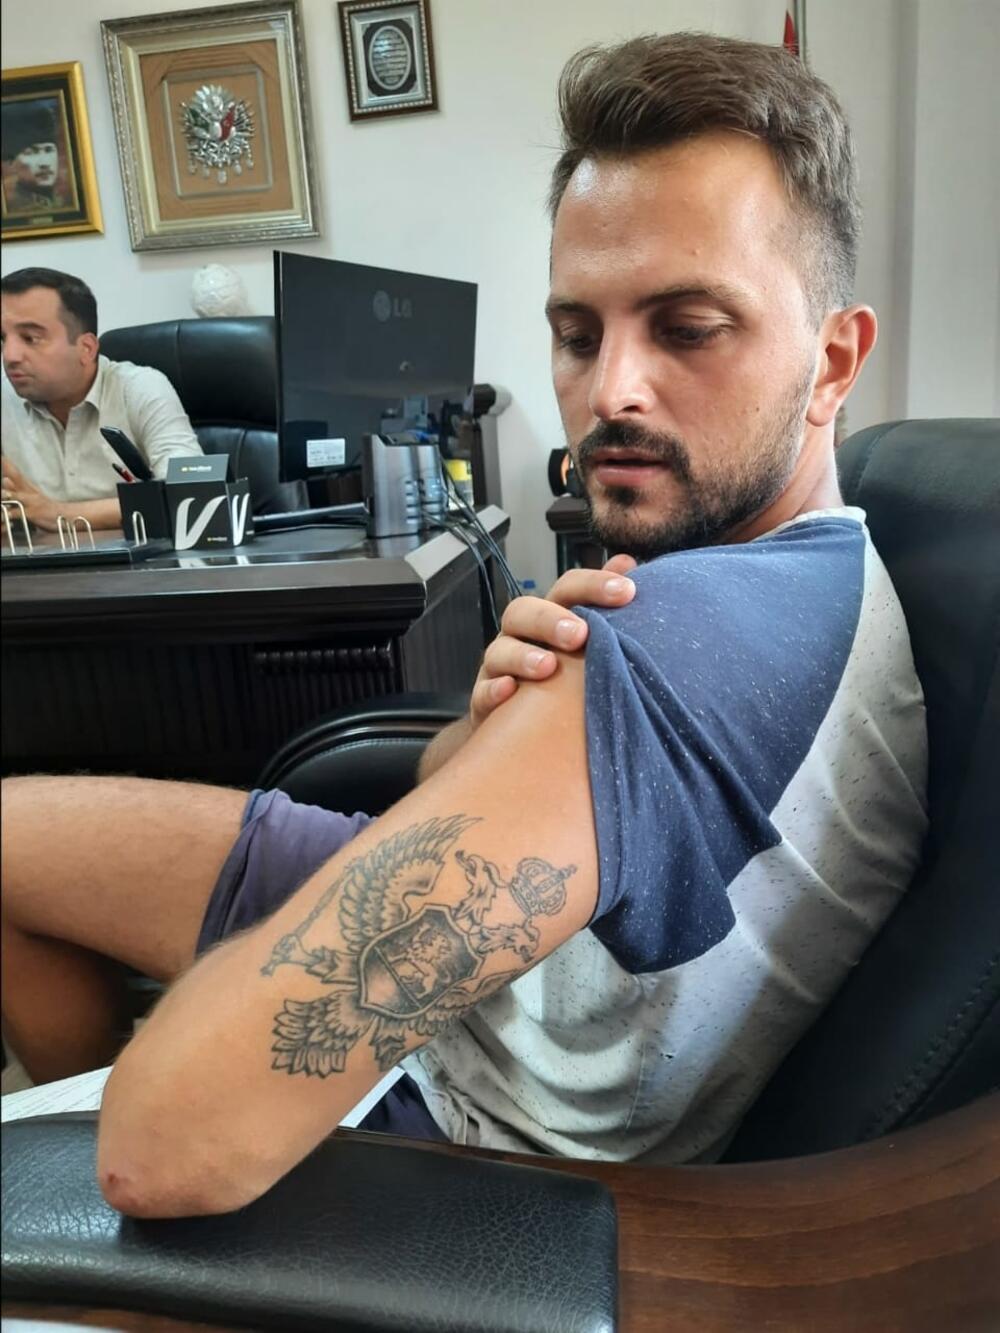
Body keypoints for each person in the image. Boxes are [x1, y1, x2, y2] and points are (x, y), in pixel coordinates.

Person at [1, 32, 927, 1219]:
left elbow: (162, 1147)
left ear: (833, 361)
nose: (611, 391)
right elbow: (452, 782)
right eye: (578, 334)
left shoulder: (686, 637)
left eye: (688, 327)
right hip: (487, 977)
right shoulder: (803, 568)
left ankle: (74, 1239)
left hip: (455, 1110)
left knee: (109, 1153)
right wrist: (501, 723)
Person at [1, 268, 203, 531]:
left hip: (138, 556)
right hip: (39, 557)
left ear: (86, 348)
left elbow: (191, 493)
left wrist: (56, 514)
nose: (10, 356)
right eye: (2, 339)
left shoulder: (139, 388)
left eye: (31, 338)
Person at [1, 100, 66, 214]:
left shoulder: (62, 202)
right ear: (12, 162)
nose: (44, 163)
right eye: (31, 153)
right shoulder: (12, 208)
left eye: (48, 150)